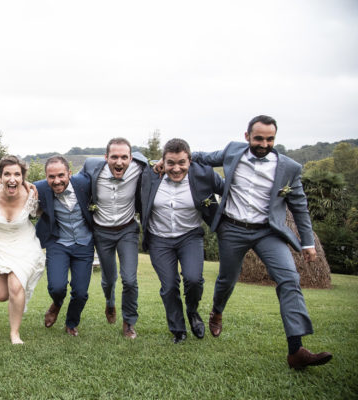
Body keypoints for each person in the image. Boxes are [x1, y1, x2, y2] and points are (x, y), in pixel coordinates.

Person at [192, 115, 332, 369]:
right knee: (227, 280)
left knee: (289, 278)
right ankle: (217, 310)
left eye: (270, 139)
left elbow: (300, 208)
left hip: (267, 232)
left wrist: (308, 242)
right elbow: (200, 157)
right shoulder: (233, 151)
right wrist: (161, 162)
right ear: (247, 137)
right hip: (232, 229)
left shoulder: (289, 168)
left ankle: (296, 350)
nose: (264, 144)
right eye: (259, 138)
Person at [140, 139, 224, 343]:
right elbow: (134, 158)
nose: (176, 168)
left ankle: (193, 311)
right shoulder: (150, 175)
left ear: (190, 161)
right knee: (169, 286)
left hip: (190, 236)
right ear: (163, 161)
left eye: (181, 163)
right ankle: (178, 329)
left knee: (194, 279)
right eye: (170, 163)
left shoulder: (203, 175)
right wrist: (154, 162)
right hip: (159, 239)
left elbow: (228, 191)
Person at [0, 156, 45, 344]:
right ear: (0, 176)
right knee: (2, 295)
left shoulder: (32, 196)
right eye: (7, 174)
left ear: (23, 177)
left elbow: (43, 211)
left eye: (17, 174)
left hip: (24, 244)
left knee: (15, 286)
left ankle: (15, 333)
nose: (12, 179)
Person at [81, 138, 148, 339]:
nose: (119, 162)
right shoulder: (92, 167)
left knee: (129, 279)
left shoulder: (139, 167)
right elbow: (73, 185)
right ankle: (110, 303)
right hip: (102, 233)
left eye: (124, 157)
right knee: (109, 279)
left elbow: (149, 161)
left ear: (131, 158)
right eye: (114, 157)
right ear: (105, 157)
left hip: (127, 231)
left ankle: (129, 322)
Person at [34, 156, 94, 337]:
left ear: (69, 173)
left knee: (81, 292)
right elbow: (14, 184)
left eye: (61, 175)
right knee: (56, 287)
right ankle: (57, 303)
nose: (57, 181)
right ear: (46, 177)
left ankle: (71, 323)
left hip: (84, 243)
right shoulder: (39, 187)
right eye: (51, 177)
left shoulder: (85, 183)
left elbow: (102, 166)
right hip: (58, 243)